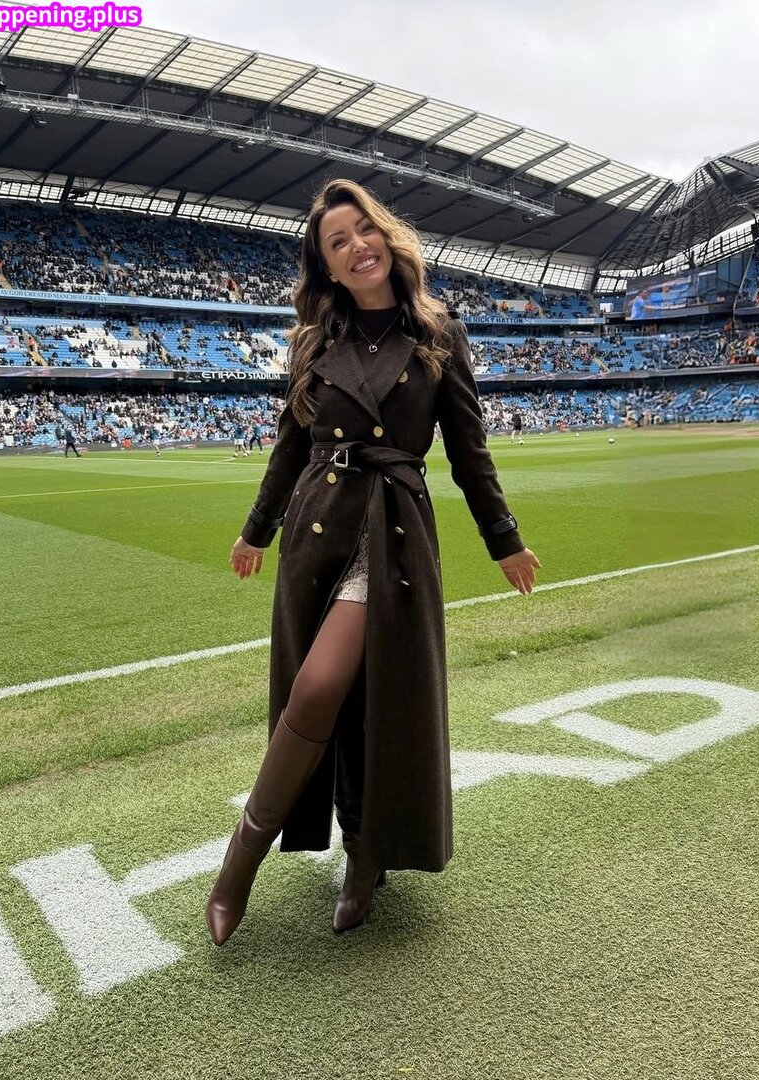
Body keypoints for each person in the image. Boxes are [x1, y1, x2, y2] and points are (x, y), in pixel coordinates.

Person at [205, 178, 542, 946]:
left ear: (387, 235)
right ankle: (353, 855)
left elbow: (468, 450)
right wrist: (256, 531)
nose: (357, 246)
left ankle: (256, 866)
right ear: (325, 265)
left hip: (390, 531)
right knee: (337, 699)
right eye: (338, 241)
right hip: (315, 530)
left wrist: (503, 538)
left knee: (331, 688)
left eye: (364, 230)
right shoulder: (313, 342)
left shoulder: (438, 334)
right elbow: (289, 447)